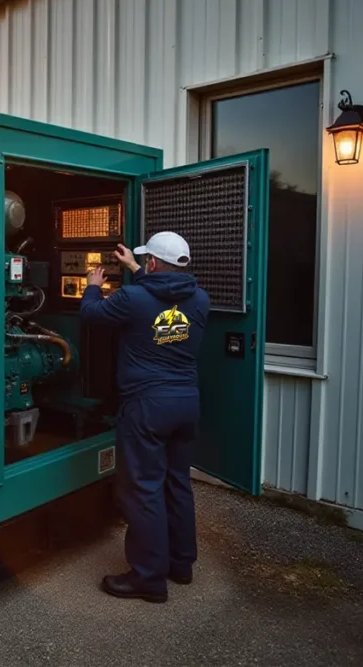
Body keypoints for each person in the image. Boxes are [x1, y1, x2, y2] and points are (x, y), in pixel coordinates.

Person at [79, 231, 210, 603]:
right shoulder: (200, 299)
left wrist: (92, 285)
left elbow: (91, 314)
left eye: (146, 262)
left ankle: (148, 577)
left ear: (153, 262)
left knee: (143, 489)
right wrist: (135, 268)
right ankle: (181, 564)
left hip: (147, 406)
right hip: (186, 404)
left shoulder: (132, 298)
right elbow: (160, 297)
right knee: (176, 482)